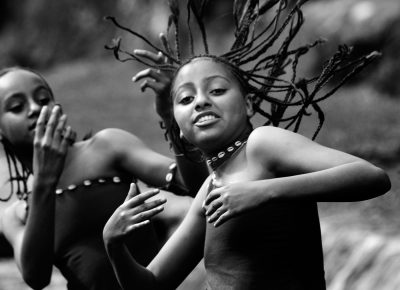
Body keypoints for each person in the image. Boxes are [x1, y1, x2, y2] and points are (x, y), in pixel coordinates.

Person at [102, 1, 391, 289]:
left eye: (216, 90)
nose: (201, 101)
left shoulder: (262, 144)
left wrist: (262, 191)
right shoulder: (210, 187)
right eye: (186, 99)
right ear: (177, 124)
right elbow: (150, 285)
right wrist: (114, 245)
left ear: (249, 104)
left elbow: (372, 177)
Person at [0, 65, 208, 290]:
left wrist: (171, 115)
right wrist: (44, 181)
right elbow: (37, 278)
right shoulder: (17, 215)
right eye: (17, 107)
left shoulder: (106, 148)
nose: (35, 109)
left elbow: (195, 185)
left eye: (43, 99)